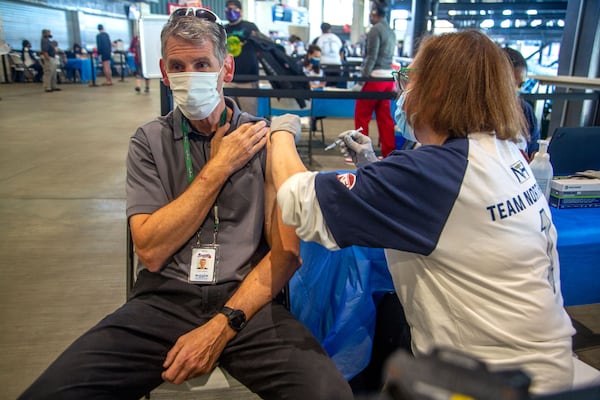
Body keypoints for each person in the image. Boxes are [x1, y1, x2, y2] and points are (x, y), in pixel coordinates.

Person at [17, 8, 352, 400]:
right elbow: (151, 250)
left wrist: (222, 325)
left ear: (226, 69)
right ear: (163, 71)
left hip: (247, 303)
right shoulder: (149, 142)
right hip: (163, 300)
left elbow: (286, 253)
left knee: (329, 393)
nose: (189, 75)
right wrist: (220, 165)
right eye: (178, 65)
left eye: (201, 63)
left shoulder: (262, 140)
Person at [268, 29, 575, 396]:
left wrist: (282, 132)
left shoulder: (436, 172)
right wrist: (374, 166)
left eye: (409, 80)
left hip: (489, 381)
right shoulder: (504, 151)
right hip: (544, 364)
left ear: (439, 88)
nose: (403, 93)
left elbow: (296, 198)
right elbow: (446, 211)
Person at [354, 0, 396, 158]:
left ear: (375, 12)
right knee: (385, 118)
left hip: (374, 79)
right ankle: (389, 153)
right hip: (387, 80)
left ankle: (360, 153)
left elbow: (371, 57)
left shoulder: (375, 30)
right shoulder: (391, 31)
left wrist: (361, 81)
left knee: (361, 116)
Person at [224, 0, 260, 115]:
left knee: (250, 116)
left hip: (248, 80)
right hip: (229, 79)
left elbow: (261, 46)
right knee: (229, 116)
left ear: (241, 11)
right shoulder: (223, 29)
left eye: (234, 9)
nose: (231, 12)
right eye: (229, 9)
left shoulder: (250, 27)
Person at [503, 47, 541, 158]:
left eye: (520, 85)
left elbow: (534, 151)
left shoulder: (525, 110)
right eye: (510, 84)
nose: (515, 91)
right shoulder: (477, 113)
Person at [315, 22, 343, 87]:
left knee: (325, 84)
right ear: (330, 29)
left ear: (321, 29)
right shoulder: (337, 38)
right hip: (336, 64)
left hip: (324, 64)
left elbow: (316, 52)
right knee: (335, 85)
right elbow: (342, 51)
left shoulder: (318, 39)